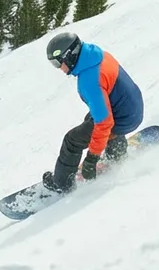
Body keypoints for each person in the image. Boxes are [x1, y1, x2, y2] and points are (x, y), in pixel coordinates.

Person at [41, 31, 144, 193]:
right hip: (133, 108)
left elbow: (105, 123)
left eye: (57, 63)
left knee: (72, 140)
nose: (59, 68)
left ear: (69, 56)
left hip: (123, 118)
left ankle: (62, 184)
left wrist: (92, 158)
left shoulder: (89, 80)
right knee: (90, 119)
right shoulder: (98, 56)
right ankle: (117, 152)